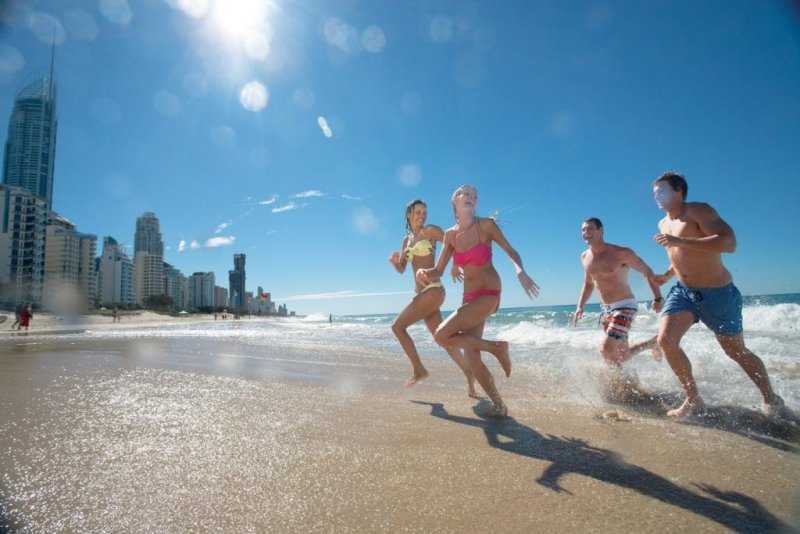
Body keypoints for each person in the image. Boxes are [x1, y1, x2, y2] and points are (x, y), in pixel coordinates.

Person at [651, 171, 784, 418]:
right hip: (683, 292)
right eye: (654, 192)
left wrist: (680, 241)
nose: (656, 196)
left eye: (661, 190)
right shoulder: (663, 223)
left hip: (718, 294)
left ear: (679, 189)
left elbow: (729, 243)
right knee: (666, 341)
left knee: (735, 351)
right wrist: (668, 275)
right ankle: (693, 399)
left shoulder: (699, 211)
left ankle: (771, 398)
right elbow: (681, 255)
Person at [418, 185, 539, 417]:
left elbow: (511, 251)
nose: (471, 197)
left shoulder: (486, 226)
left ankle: (498, 347)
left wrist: (520, 271)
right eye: (466, 193)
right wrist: (422, 273)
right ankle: (499, 406)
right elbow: (438, 271)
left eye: (475, 195)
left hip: (489, 293)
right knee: (472, 357)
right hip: (468, 298)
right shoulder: (450, 236)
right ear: (454, 200)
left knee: (441, 334)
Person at [389, 199, 476, 394]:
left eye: (424, 213)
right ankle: (469, 373)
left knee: (397, 327)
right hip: (424, 297)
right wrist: (395, 263)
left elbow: (453, 241)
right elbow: (402, 269)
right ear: (409, 215)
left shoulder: (431, 231)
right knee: (443, 339)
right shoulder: (407, 241)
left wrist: (455, 264)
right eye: (418, 212)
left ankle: (419, 370)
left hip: (433, 291)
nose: (422, 216)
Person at [573, 217, 663, 366]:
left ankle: (619, 386)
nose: (585, 232)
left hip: (625, 306)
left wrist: (657, 297)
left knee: (606, 349)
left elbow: (646, 271)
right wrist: (580, 306)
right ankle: (652, 343)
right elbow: (588, 284)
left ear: (601, 231)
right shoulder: (584, 257)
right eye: (583, 229)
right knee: (622, 355)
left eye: (589, 229)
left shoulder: (621, 253)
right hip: (607, 310)